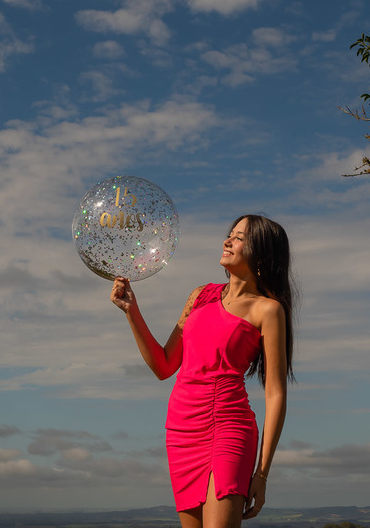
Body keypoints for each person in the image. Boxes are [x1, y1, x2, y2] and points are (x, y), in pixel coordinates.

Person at [110, 214, 296, 528]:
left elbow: (276, 393)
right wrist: (132, 312)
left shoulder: (267, 309)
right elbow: (164, 365)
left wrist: (261, 474)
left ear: (263, 254)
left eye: (240, 238)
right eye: (231, 233)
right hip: (181, 432)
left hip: (228, 427)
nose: (228, 240)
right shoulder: (200, 296)